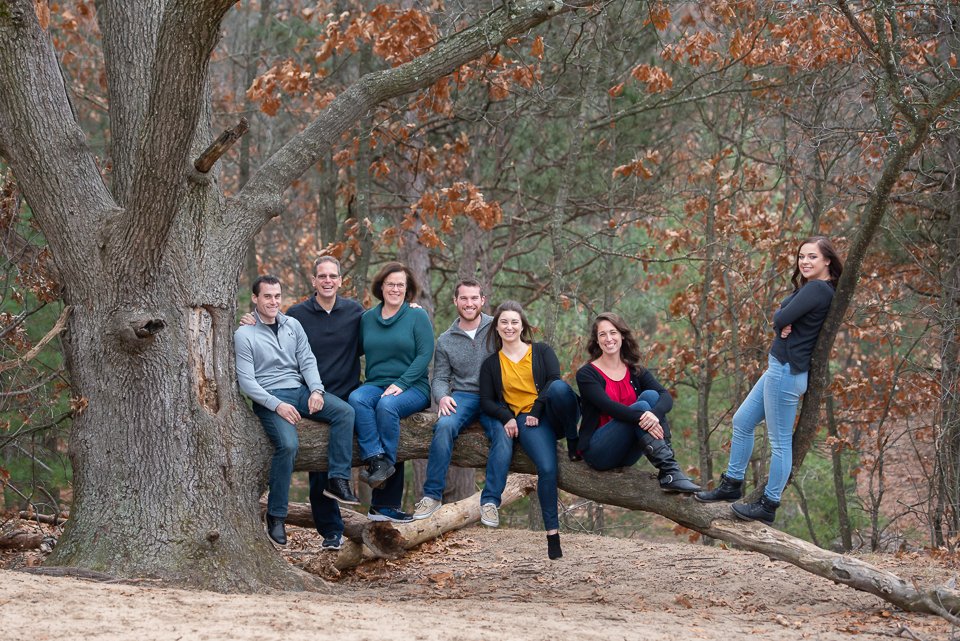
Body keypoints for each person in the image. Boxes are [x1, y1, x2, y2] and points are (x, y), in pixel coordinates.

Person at [695, 236, 844, 525]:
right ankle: (732, 484)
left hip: (785, 374)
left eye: (812, 257)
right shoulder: (817, 289)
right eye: (801, 256)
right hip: (778, 370)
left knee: (779, 443)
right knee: (742, 421)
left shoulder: (816, 290)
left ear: (827, 260)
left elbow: (780, 317)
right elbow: (784, 316)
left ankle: (769, 503)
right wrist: (783, 319)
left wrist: (782, 320)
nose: (805, 262)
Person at [234, 275, 359, 547]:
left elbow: (307, 359)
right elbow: (247, 382)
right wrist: (276, 405)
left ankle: (337, 480)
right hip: (269, 398)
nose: (273, 301)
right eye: (267, 296)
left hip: (300, 390)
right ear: (255, 298)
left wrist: (316, 390)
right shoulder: (244, 334)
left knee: (345, 412)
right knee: (288, 445)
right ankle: (276, 516)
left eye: (277, 296)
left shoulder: (293, 325)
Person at [479, 301, 581, 560]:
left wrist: (536, 410)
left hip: (555, 412)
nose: (509, 326)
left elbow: (554, 380)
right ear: (497, 327)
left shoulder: (542, 351)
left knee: (559, 388)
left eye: (514, 322)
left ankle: (573, 439)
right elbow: (487, 401)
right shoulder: (492, 364)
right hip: (526, 421)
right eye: (504, 322)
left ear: (522, 325)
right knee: (547, 468)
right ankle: (552, 535)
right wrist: (507, 417)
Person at [412, 279, 511, 520]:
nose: (469, 303)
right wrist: (443, 397)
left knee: (503, 433)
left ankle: (489, 501)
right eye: (464, 298)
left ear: (482, 300)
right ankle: (432, 495)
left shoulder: (497, 328)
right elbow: (440, 377)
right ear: (455, 301)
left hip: (495, 396)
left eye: (474, 298)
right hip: (463, 396)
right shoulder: (446, 340)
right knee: (444, 426)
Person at [575, 312, 700, 492]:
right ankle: (670, 472)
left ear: (622, 335)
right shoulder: (587, 374)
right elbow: (609, 407)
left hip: (627, 453)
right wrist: (645, 416)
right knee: (642, 406)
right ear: (596, 340)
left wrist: (654, 416)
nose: (608, 339)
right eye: (602, 334)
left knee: (651, 396)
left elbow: (665, 396)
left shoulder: (635, 371)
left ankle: (669, 472)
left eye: (613, 332)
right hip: (599, 452)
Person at [348, 262, 434, 523]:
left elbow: (424, 354)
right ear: (381, 287)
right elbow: (353, 348)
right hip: (376, 384)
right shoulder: (367, 319)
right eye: (390, 284)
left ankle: (386, 505)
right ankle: (376, 461)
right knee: (357, 399)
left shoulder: (417, 316)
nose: (395, 288)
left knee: (387, 406)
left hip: (413, 387)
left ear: (407, 289)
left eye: (400, 285)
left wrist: (402, 383)